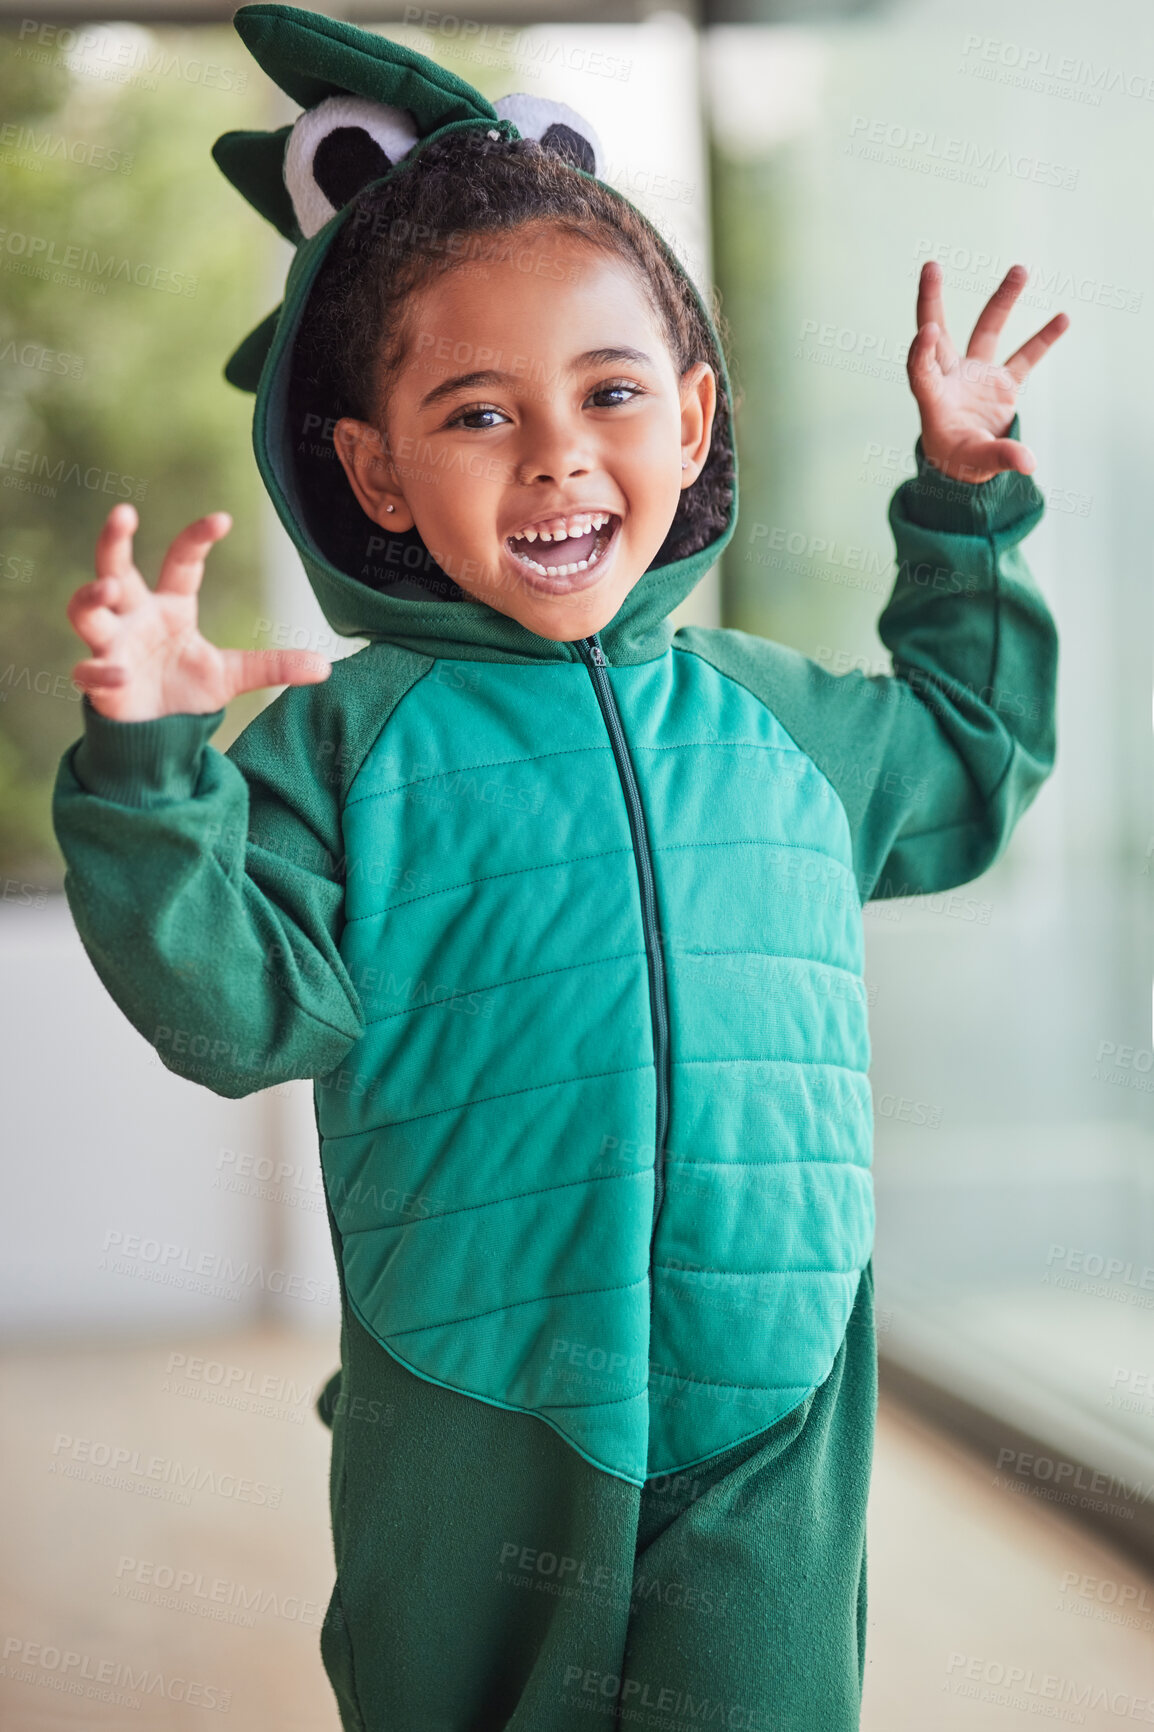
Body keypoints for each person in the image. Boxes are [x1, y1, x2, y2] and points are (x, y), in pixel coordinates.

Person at [51, 7, 1068, 1727]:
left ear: (687, 423)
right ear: (368, 467)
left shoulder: (784, 723)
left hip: (776, 1385)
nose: (554, 455)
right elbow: (240, 1015)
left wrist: (962, 506)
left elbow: (968, 757)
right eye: (474, 412)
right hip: (472, 1397)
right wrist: (152, 771)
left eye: (607, 395)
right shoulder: (340, 747)